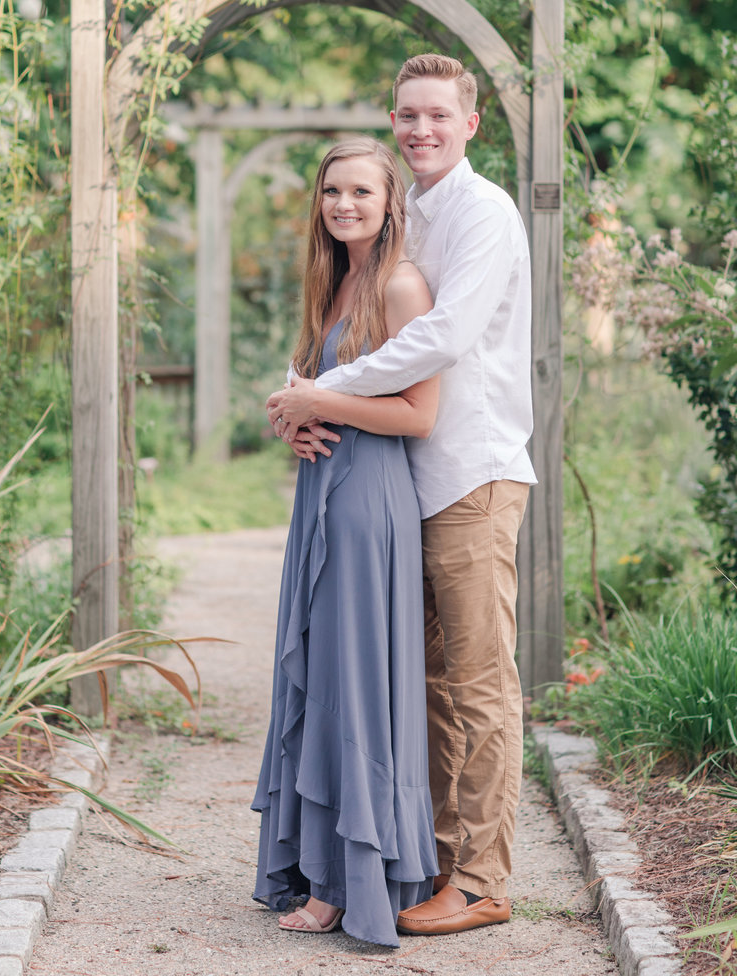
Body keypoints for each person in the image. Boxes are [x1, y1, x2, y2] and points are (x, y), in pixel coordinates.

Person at [267, 54, 537, 937]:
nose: (421, 130)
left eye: (437, 116)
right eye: (407, 116)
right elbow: (351, 326)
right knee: (421, 687)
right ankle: (431, 861)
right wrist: (307, 399)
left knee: (479, 682)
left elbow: (444, 338)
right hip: (405, 488)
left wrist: (320, 391)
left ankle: (485, 878)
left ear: (470, 124)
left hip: (472, 473)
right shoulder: (409, 210)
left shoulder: (486, 213)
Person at [252, 136, 440, 947]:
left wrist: (315, 398)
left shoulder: (401, 287)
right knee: (320, 670)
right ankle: (312, 862)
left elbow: (416, 416)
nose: (344, 205)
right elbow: (318, 397)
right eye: (333, 192)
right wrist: (296, 422)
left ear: (390, 200)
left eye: (361, 191)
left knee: (352, 682)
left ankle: (345, 883)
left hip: (368, 503)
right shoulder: (337, 282)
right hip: (321, 492)